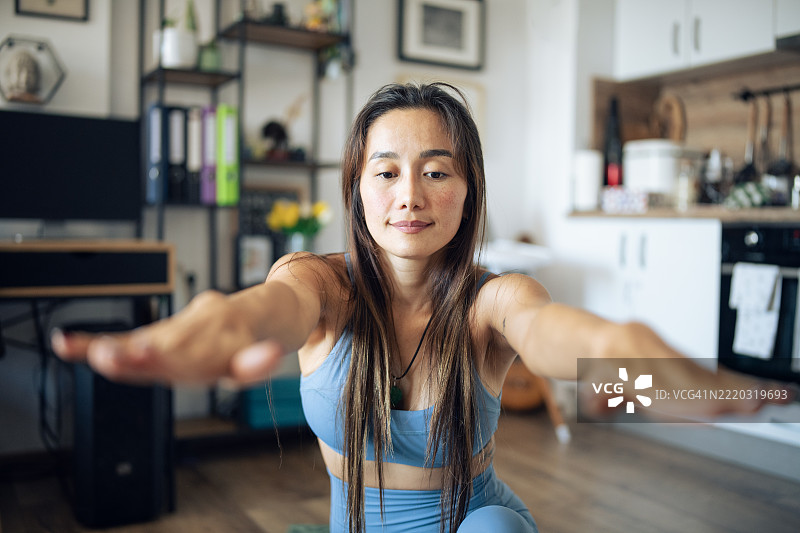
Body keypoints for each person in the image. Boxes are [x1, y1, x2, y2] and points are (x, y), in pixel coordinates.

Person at [51, 82, 789, 533]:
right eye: (387, 171)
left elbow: (565, 334)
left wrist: (658, 376)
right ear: (358, 189)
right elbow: (259, 310)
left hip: (480, 520)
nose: (410, 194)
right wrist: (210, 331)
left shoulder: (491, 302)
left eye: (437, 170)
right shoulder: (321, 286)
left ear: (468, 192)